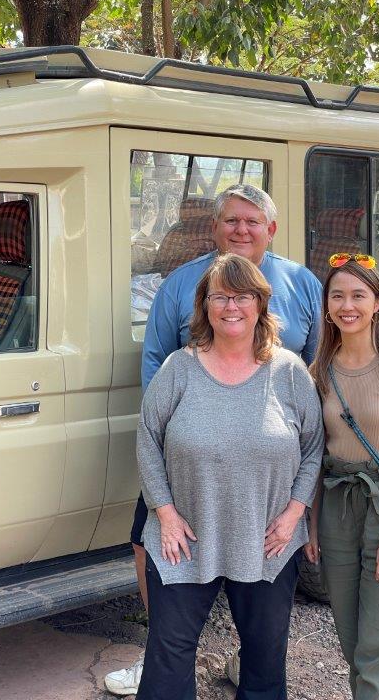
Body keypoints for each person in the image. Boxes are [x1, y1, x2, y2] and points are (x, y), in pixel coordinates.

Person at [105, 183, 322, 696]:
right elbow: (152, 404)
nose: (231, 307)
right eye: (232, 220)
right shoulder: (179, 301)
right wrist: (165, 503)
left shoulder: (299, 305)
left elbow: (316, 407)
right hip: (188, 491)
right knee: (169, 641)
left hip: (266, 515)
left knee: (265, 655)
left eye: (253, 221)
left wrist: (296, 511)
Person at [305, 253, 379, 700]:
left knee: (377, 646)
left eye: (358, 294)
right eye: (337, 295)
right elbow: (317, 455)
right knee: (351, 641)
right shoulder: (319, 372)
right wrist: (314, 522)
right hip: (337, 508)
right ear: (327, 305)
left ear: (377, 302)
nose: (347, 305)